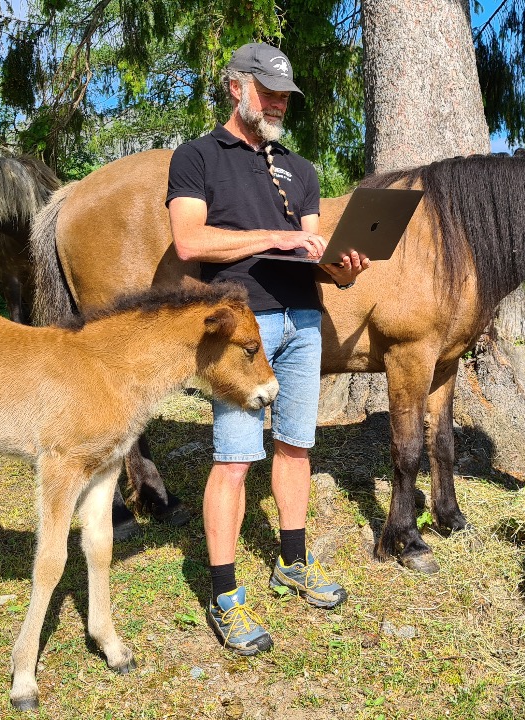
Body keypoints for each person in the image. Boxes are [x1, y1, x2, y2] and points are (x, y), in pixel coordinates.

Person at [165, 42, 368, 655]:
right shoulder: (198, 157)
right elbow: (188, 241)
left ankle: (292, 561)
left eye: (285, 94)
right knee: (233, 459)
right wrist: (275, 235)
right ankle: (225, 596)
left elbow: (313, 253)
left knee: (296, 446)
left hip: (304, 320)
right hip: (238, 329)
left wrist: (345, 269)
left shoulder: (300, 171)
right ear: (236, 87)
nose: (280, 101)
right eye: (269, 89)